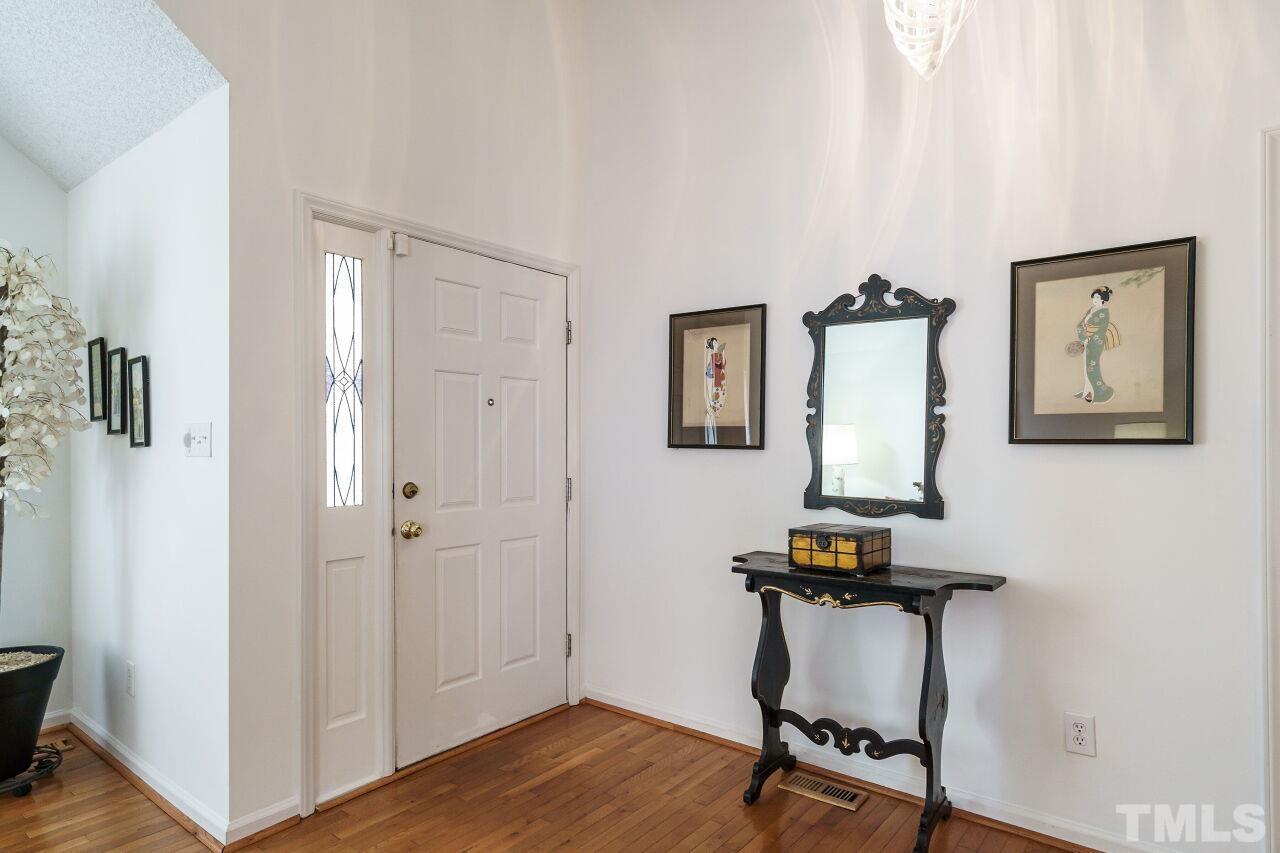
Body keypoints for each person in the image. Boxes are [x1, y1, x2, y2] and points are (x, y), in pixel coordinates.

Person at [1073, 286, 1120, 404]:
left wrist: (1085, 335)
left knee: (1092, 367)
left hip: (1095, 342)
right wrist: (1082, 333)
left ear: (1103, 299)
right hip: (1087, 341)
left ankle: (1099, 391)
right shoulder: (1092, 309)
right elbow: (1082, 323)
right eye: (1094, 297)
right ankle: (1088, 390)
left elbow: (1094, 328)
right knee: (1086, 366)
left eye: (1097, 297)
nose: (1095, 299)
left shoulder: (1104, 312)